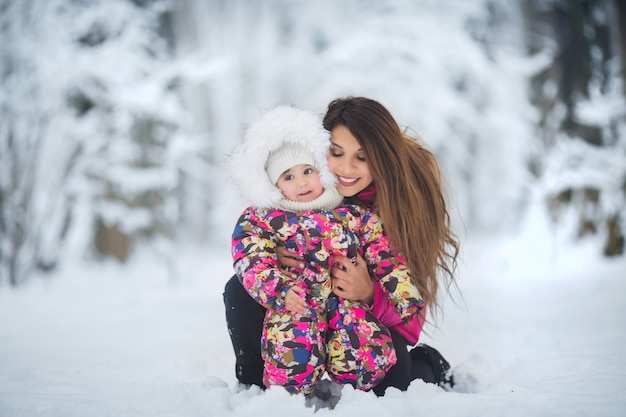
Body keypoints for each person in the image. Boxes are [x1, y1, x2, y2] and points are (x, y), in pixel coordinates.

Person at [224, 97, 459, 397]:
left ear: (381, 158)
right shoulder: (308, 193)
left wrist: (370, 293)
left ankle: (426, 365)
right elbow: (252, 246)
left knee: (392, 385)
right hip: (301, 311)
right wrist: (274, 256)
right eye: (336, 153)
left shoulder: (395, 208)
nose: (346, 168)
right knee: (238, 287)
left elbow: (409, 318)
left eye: (362, 157)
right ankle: (257, 384)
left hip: (364, 323)